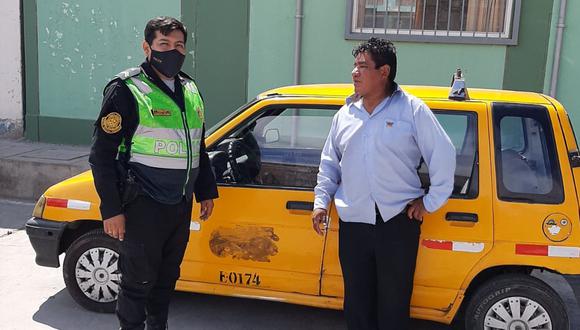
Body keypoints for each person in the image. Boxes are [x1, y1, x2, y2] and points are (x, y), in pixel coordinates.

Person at [312, 38, 455, 330]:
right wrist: (320, 201)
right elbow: (329, 163)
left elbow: (443, 154)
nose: (354, 72)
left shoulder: (412, 110)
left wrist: (429, 202)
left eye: (363, 66)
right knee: (357, 304)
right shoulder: (345, 115)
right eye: (354, 66)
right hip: (354, 224)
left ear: (384, 72)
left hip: (397, 223)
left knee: (393, 304)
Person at [89, 16, 218, 330]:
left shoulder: (189, 88)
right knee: (138, 283)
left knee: (166, 280)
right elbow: (101, 157)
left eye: (178, 45)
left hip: (179, 203)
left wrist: (205, 190)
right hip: (143, 203)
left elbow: (196, 144)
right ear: (147, 47)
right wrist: (112, 210)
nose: (172, 51)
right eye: (164, 44)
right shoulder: (127, 89)